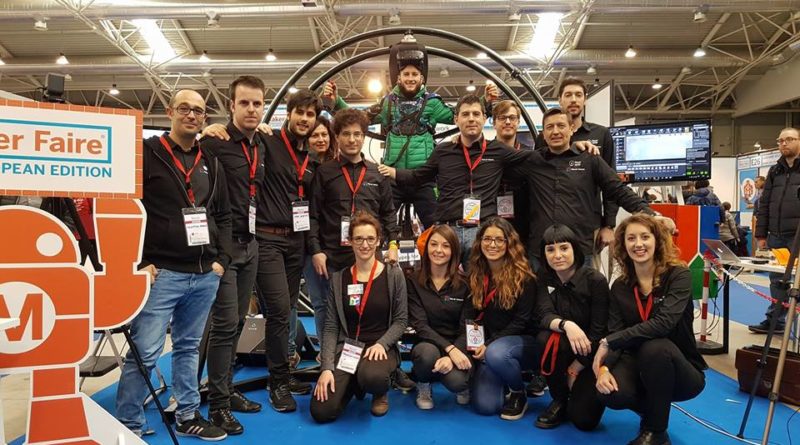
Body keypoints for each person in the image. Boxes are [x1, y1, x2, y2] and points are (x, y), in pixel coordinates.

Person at [116, 89, 231, 440]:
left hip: (204, 273)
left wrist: (222, 259)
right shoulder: (147, 153)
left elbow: (223, 214)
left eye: (198, 110)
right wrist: (140, 261)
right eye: (184, 108)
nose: (192, 115)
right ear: (170, 112)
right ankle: (129, 424)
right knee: (146, 352)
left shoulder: (210, 160)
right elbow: (124, 208)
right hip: (162, 273)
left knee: (188, 347)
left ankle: (188, 414)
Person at [324, 43, 497, 228]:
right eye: (406, 74)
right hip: (392, 177)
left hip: (423, 178)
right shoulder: (388, 103)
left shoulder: (432, 103)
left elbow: (461, 115)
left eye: (414, 74)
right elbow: (359, 118)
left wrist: (484, 102)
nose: (410, 78)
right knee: (378, 226)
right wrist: (337, 102)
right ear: (398, 78)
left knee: (437, 229)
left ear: (422, 78)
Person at [594, 214, 707, 445]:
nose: (638, 244)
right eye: (631, 238)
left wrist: (610, 341)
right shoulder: (620, 287)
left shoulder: (678, 275)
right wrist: (604, 368)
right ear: (623, 245)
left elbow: (663, 323)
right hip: (636, 364)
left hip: (679, 368)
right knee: (610, 393)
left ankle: (656, 431)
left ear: (657, 240)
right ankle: (654, 407)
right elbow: (615, 331)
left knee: (655, 348)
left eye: (645, 237)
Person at [379, 95, 532, 263]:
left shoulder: (498, 150)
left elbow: (535, 159)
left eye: (476, 114)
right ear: (456, 119)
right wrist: (391, 171)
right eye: (465, 114)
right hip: (448, 233)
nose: (471, 119)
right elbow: (418, 177)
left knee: (480, 280)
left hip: (482, 233)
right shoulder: (443, 151)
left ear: (484, 118)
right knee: (442, 279)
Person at [198, 75, 266, 435]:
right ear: (231, 106)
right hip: (223, 250)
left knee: (238, 323)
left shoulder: (261, 144)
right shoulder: (215, 143)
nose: (251, 109)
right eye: (244, 103)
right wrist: (204, 130)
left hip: (251, 244)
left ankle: (225, 389)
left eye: (257, 103)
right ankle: (218, 405)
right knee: (224, 325)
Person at [520, 107, 658, 271]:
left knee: (585, 288)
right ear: (543, 134)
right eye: (550, 127)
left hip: (580, 250)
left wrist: (651, 215)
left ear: (572, 129)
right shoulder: (532, 161)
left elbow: (617, 189)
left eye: (561, 126)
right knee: (541, 289)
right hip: (541, 253)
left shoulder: (589, 159)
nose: (555, 131)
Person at [254, 89, 322, 411]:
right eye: (300, 113)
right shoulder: (267, 141)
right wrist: (215, 129)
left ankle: (285, 372)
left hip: (296, 242)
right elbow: (236, 140)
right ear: (289, 113)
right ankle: (277, 382)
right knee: (279, 311)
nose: (305, 119)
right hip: (267, 239)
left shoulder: (311, 157)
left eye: (311, 115)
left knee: (288, 308)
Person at [308, 108, 399, 341]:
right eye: (346, 134)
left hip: (368, 255)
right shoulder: (325, 172)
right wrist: (316, 251)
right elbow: (313, 215)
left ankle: (368, 350)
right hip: (333, 256)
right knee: (329, 308)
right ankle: (329, 355)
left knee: (369, 306)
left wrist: (393, 245)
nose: (352, 139)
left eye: (357, 134)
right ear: (337, 137)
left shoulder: (377, 174)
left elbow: (388, 213)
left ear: (364, 136)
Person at [310, 211, 408, 422]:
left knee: (372, 377)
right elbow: (331, 327)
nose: (365, 245)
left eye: (370, 239)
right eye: (359, 239)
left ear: (378, 241)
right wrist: (326, 368)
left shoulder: (393, 275)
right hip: (348, 349)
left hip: (379, 349)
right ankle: (354, 382)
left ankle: (379, 390)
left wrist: (382, 344)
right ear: (350, 241)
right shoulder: (339, 279)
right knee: (321, 411)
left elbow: (401, 321)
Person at [534, 224, 608, 430]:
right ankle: (558, 399)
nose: (557, 255)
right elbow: (543, 314)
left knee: (585, 421)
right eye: (550, 250)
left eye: (564, 248)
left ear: (575, 248)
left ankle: (575, 393)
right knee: (545, 338)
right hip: (560, 349)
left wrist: (577, 366)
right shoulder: (543, 277)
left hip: (590, 354)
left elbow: (600, 330)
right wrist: (567, 325)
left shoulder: (595, 281)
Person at [463, 217, 536, 419]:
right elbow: (470, 315)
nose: (492, 245)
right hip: (489, 345)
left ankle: (518, 392)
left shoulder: (524, 277)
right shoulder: (475, 274)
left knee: (497, 353)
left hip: (519, 343)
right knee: (485, 407)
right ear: (480, 242)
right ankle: (501, 377)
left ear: (509, 243)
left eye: (499, 240)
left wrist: (489, 345)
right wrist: (474, 346)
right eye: (487, 239)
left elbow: (521, 321)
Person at [536, 77, 617, 251]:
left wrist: (609, 224)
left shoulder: (601, 134)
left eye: (578, 95)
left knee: (587, 267)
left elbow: (611, 184)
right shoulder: (543, 138)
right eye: (568, 95)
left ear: (585, 99)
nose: (573, 100)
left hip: (587, 228)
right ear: (560, 99)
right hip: (550, 228)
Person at [407, 224, 472, 410]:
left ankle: (455, 377)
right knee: (426, 356)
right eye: (433, 244)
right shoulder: (413, 281)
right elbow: (420, 325)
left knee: (457, 383)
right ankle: (424, 383)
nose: (438, 250)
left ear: (454, 251)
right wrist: (449, 349)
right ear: (426, 248)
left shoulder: (465, 284)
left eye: (445, 246)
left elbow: (467, 326)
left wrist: (454, 353)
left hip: (458, 345)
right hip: (428, 344)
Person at [750, 127, 800, 334]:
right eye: (780, 140)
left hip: (797, 236)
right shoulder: (774, 171)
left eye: (789, 139)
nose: (784, 143)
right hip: (777, 236)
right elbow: (765, 204)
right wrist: (761, 234)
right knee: (777, 281)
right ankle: (776, 321)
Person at [492, 100, 533, 246]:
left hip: (524, 226)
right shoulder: (484, 152)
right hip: (491, 225)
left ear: (518, 122)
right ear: (494, 123)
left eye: (512, 118)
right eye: (502, 118)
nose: (508, 122)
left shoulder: (529, 154)